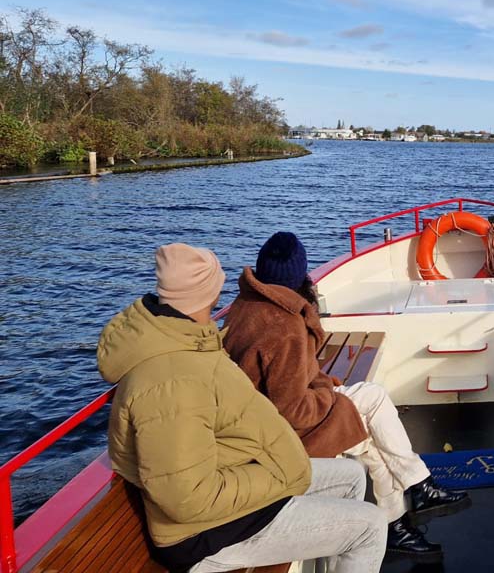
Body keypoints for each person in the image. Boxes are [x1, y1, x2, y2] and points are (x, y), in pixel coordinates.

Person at [97, 243, 386, 573]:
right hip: (210, 533)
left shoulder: (186, 339)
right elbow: (186, 499)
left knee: (352, 476)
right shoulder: (171, 380)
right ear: (210, 293)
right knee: (370, 527)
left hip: (235, 497)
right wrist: (281, 475)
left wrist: (279, 467)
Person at [223, 232, 470, 563]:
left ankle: (401, 514)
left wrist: (324, 385)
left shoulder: (248, 306)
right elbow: (293, 410)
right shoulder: (283, 327)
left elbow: (293, 381)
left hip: (266, 419)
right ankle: (417, 489)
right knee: (372, 406)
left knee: (372, 431)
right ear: (299, 276)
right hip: (282, 432)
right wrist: (330, 395)